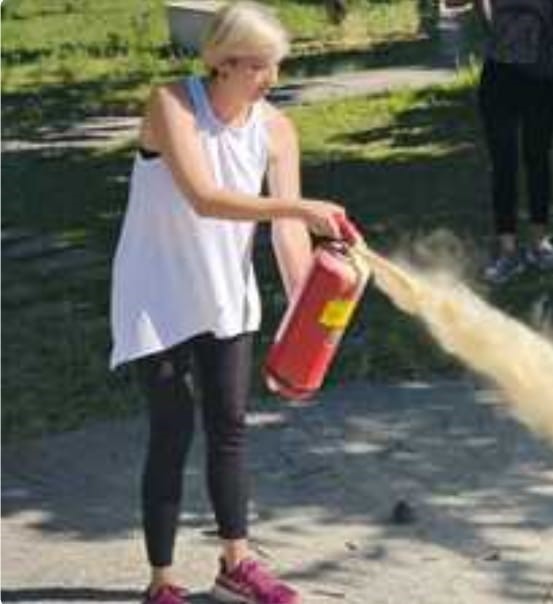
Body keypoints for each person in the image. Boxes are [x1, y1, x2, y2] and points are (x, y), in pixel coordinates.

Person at [108, 3, 353, 603]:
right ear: (221, 60)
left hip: (224, 294)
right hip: (155, 293)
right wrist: (299, 208)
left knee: (230, 427)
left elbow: (288, 236)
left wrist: (306, 325)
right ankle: (163, 582)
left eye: (276, 66)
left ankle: (235, 564)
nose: (271, 79)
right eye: (259, 66)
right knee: (172, 428)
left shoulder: (276, 128)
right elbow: (205, 197)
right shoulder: (171, 104)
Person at [473, 0, 553, 284]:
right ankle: (508, 252)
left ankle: (539, 243)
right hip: (500, 74)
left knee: (538, 158)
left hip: (542, 74)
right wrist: (492, 28)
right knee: (504, 163)